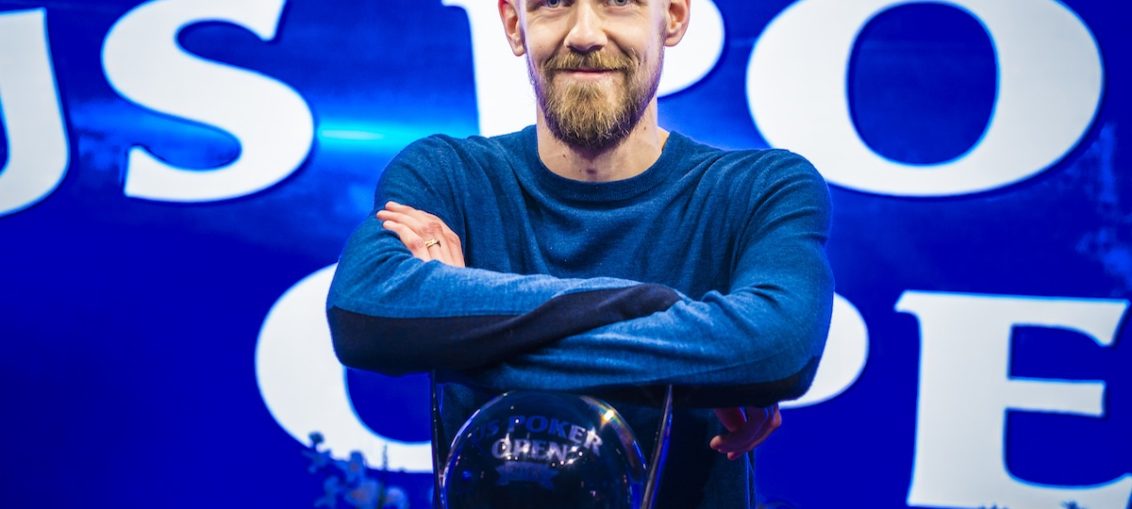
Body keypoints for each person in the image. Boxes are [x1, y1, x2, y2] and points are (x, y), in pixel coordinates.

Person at [326, 0, 834, 506]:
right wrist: (657, 309)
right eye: (552, 4)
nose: (585, 34)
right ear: (512, 23)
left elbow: (778, 345)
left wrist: (458, 329)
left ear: (674, 16)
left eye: (619, 2)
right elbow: (363, 314)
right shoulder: (445, 176)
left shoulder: (761, 189)